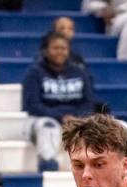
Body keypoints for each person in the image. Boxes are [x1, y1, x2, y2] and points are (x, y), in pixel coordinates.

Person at [22, 32, 97, 172]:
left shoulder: (80, 72)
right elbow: (32, 106)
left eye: (63, 48)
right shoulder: (34, 73)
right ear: (45, 50)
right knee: (48, 127)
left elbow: (88, 102)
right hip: (42, 120)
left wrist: (76, 118)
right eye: (55, 48)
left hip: (75, 119)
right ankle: (48, 165)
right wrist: (61, 117)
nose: (60, 51)